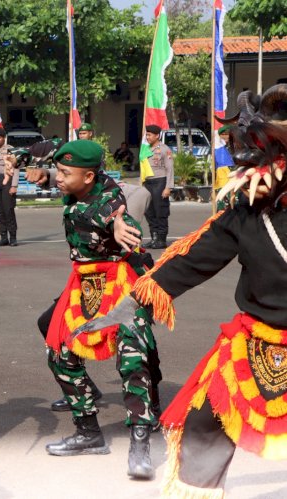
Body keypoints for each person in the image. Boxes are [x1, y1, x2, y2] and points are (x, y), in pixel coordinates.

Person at [77, 84, 287, 498]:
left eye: (257, 151)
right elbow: (192, 259)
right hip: (256, 341)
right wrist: (131, 302)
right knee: (205, 420)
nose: (242, 162)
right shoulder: (244, 213)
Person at [41, 140, 160, 480]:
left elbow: (117, 216)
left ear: (89, 175)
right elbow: (67, 182)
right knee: (60, 353)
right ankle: (89, 432)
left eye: (65, 173)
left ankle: (140, 440)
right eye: (58, 171)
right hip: (85, 284)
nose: (59, 178)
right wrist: (43, 176)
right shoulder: (84, 185)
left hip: (121, 284)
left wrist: (123, 228)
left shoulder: (108, 203)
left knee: (132, 358)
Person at [142, 125, 174, 249]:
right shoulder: (145, 149)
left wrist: (168, 187)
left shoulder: (164, 149)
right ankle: (154, 237)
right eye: (147, 134)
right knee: (149, 211)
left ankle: (161, 239)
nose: (147, 137)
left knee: (160, 210)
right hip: (148, 183)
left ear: (157, 136)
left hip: (160, 182)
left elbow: (170, 169)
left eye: (150, 135)